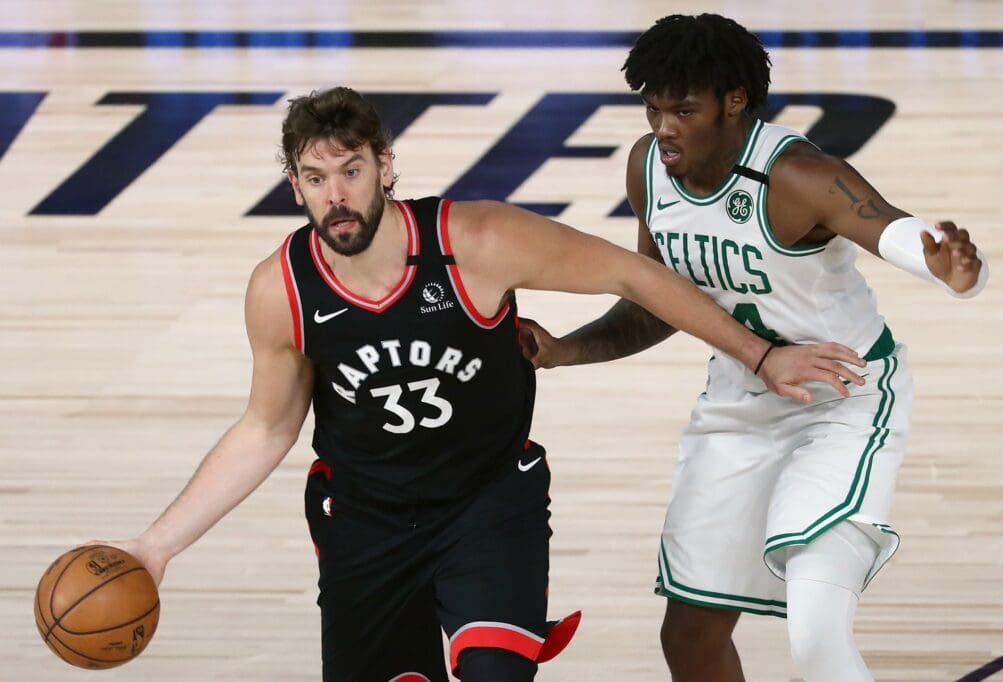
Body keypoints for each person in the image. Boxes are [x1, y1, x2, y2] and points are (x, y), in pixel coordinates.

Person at [103, 86, 865, 682]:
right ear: (295, 187)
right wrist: (155, 548)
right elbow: (266, 429)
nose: (335, 195)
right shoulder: (282, 289)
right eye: (314, 178)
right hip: (366, 521)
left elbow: (636, 272)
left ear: (385, 166)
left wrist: (761, 356)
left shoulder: (477, 243)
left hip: (487, 503)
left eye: (350, 171)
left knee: (495, 671)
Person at [519, 13, 989, 682]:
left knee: (816, 631)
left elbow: (892, 230)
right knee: (689, 634)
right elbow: (660, 302)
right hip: (742, 400)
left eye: (683, 109)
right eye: (653, 108)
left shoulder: (798, 176)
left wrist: (952, 269)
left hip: (842, 398)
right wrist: (564, 349)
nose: (664, 127)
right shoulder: (648, 169)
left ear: (734, 101)